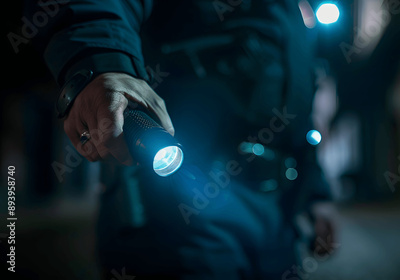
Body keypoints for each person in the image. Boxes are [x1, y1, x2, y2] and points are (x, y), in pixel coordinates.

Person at [26, 0, 337, 278]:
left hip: (275, 217)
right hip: (176, 210)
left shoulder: (291, 10)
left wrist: (315, 193)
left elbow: (298, 111)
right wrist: (103, 64)